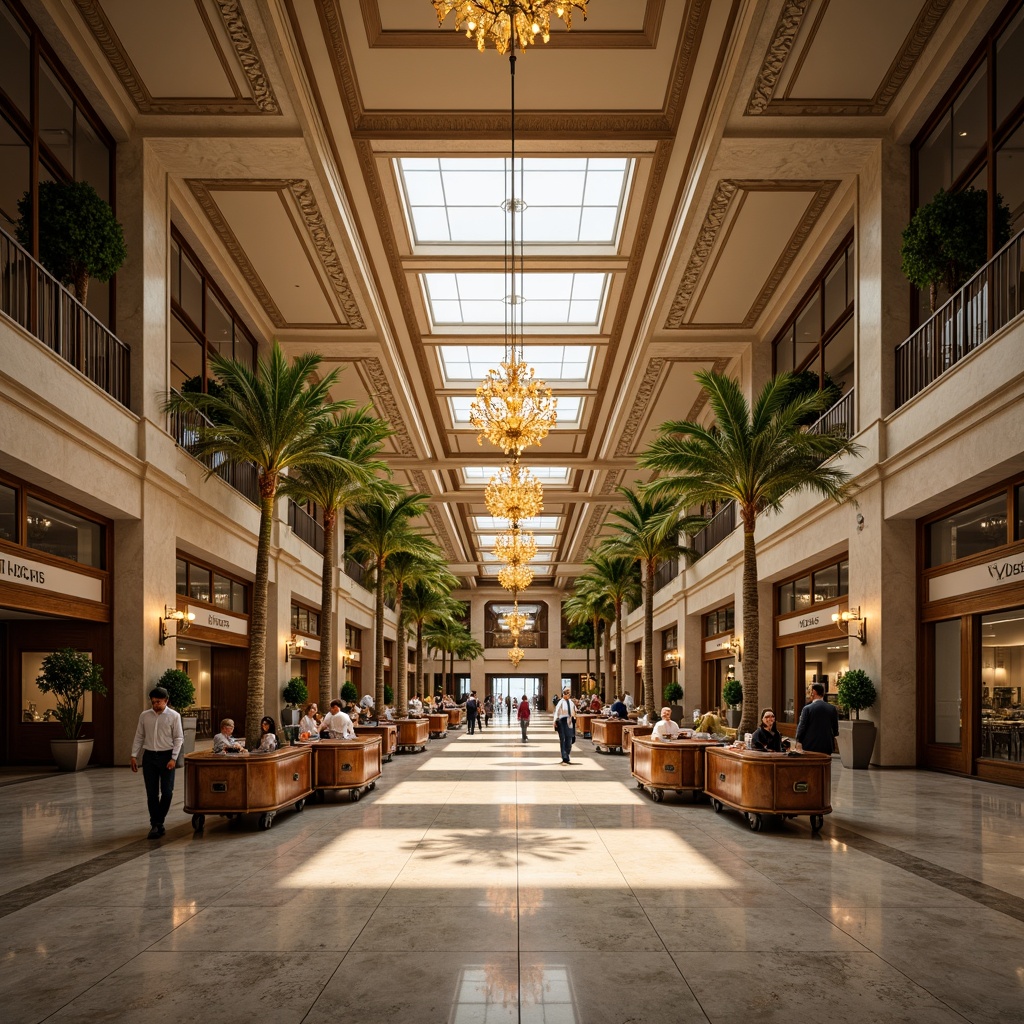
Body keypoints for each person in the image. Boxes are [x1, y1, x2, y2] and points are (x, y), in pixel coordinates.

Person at [130, 686, 184, 839]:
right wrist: (134, 755)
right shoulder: (144, 716)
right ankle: (156, 824)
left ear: (166, 701)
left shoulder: (174, 716)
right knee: (151, 793)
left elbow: (178, 738)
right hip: (149, 757)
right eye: (153, 702)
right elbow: (139, 736)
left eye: (158, 702)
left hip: (167, 756)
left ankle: (158, 822)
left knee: (167, 792)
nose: (155, 705)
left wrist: (173, 758)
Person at [796, 682, 839, 755]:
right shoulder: (832, 708)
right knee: (825, 766)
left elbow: (802, 726)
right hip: (827, 745)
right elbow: (835, 728)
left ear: (814, 692)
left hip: (810, 745)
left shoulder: (807, 708)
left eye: (810, 691)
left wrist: (798, 739)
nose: (809, 693)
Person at [554, 686, 576, 764]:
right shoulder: (560, 702)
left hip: (569, 721)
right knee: (563, 739)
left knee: (569, 739)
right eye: (566, 693)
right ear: (564, 694)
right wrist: (555, 721)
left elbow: (574, 711)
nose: (568, 695)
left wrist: (574, 717)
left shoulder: (571, 702)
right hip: (562, 721)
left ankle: (567, 753)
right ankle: (564, 756)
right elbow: (556, 712)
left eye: (569, 693)